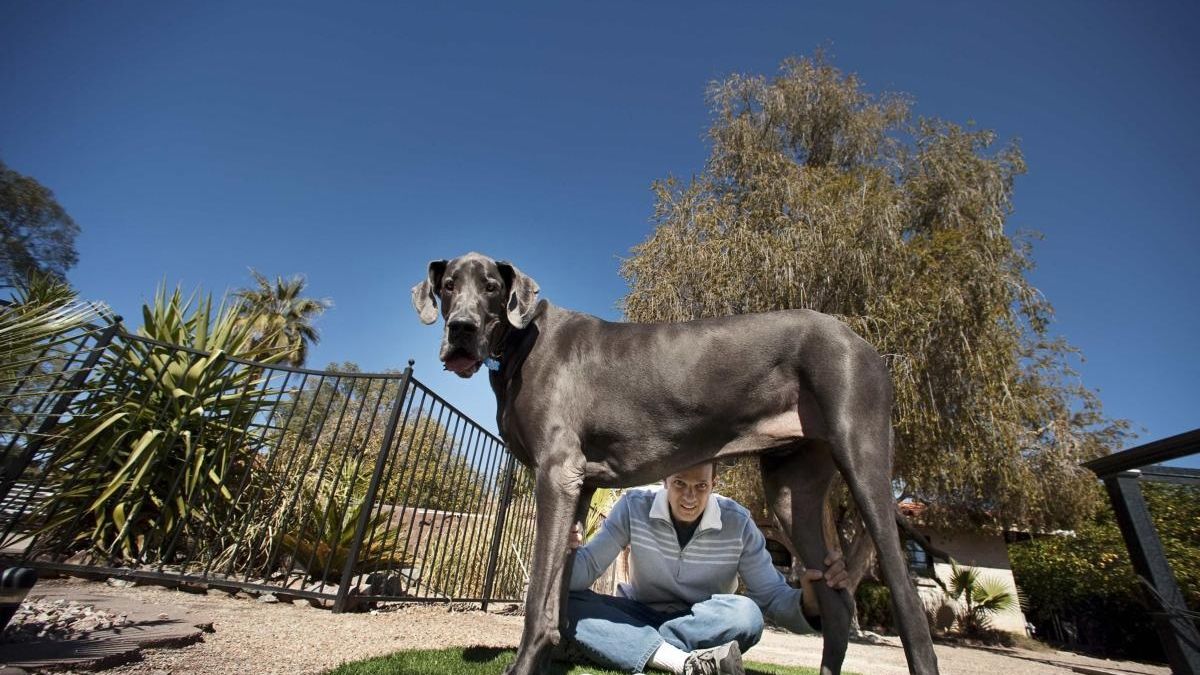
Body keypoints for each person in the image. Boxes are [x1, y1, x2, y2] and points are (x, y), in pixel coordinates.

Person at [562, 462, 849, 675]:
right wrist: (561, 553)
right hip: (638, 613)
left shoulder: (738, 523)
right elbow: (585, 570)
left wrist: (809, 602)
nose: (690, 497)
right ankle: (681, 662)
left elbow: (773, 597)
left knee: (747, 615)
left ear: (714, 482)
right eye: (679, 484)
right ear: (664, 478)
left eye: (700, 486)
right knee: (564, 600)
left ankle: (618, 645)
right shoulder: (632, 507)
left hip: (703, 622)